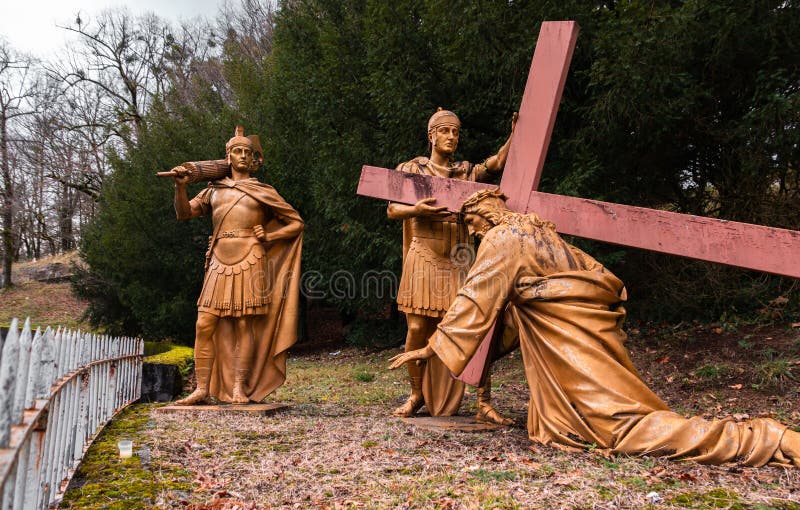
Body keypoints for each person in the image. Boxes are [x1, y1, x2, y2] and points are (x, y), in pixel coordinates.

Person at [389, 188, 800, 466]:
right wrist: (560, 301)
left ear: (484, 216)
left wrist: (431, 348)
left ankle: (768, 439)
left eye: (474, 226)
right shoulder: (546, 235)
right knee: (622, 410)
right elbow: (603, 279)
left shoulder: (502, 239)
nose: (475, 234)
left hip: (573, 352)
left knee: (621, 425)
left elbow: (475, 297)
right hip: (593, 337)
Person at [387, 108, 516, 423]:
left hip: (458, 257)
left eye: (456, 132)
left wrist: (516, 135)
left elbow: (496, 164)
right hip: (424, 253)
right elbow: (391, 209)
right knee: (417, 327)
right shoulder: (413, 168)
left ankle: (483, 400)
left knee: (472, 327)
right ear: (431, 135)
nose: (451, 137)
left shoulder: (465, 173)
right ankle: (416, 394)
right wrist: (415, 210)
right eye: (445, 131)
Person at [170, 126, 304, 405]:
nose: (242, 156)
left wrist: (270, 236)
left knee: (245, 325)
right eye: (237, 151)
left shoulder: (263, 191)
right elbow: (184, 213)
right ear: (228, 156)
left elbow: (296, 223)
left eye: (247, 152)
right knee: (204, 323)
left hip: (251, 259)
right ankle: (202, 388)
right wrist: (180, 187)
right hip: (218, 261)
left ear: (253, 158)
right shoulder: (213, 190)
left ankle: (239, 388)